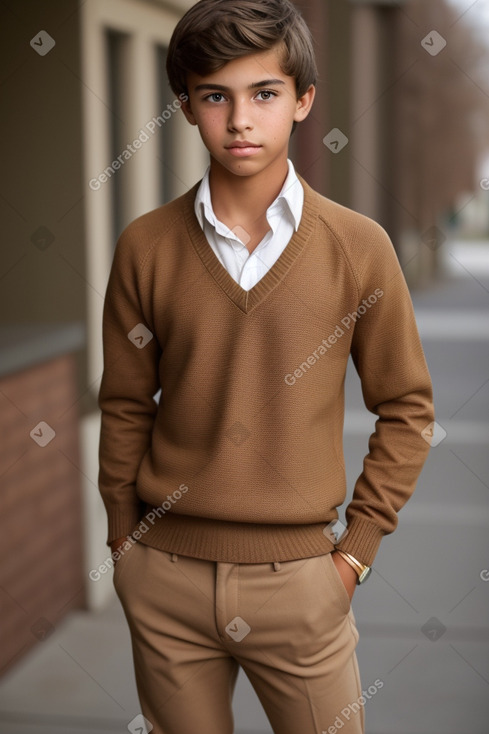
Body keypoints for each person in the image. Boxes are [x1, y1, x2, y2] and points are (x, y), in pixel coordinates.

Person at [97, 1, 434, 732]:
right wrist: (123, 539)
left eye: (264, 94)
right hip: (165, 578)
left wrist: (354, 556)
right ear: (184, 105)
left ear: (303, 101)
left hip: (303, 585)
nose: (240, 119)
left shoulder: (358, 247)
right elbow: (126, 402)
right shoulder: (145, 246)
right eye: (214, 95)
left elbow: (406, 407)